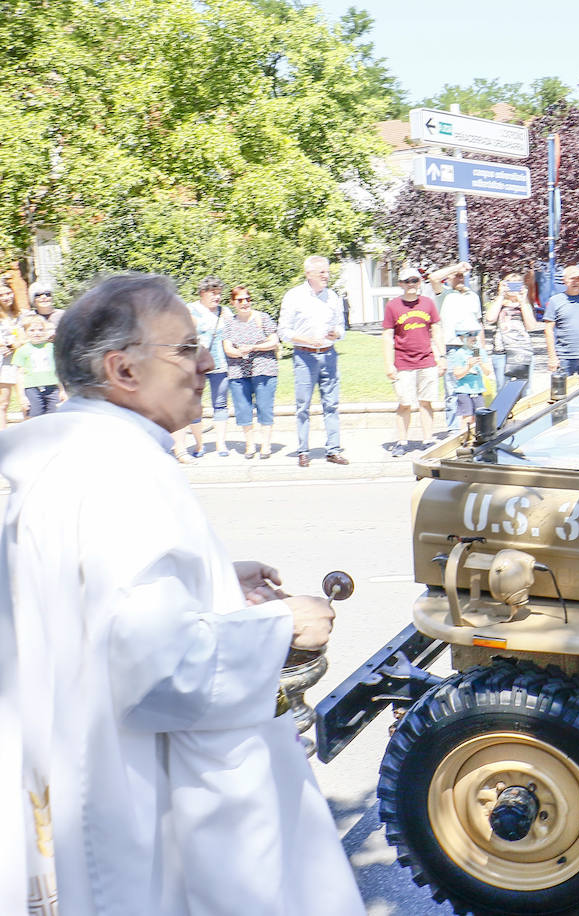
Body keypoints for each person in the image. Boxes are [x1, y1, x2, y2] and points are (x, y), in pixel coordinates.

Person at [0, 272, 364, 916]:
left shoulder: (50, 453)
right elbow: (155, 665)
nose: (206, 363)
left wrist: (214, 576)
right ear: (123, 369)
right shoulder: (123, 471)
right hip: (130, 804)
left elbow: (79, 598)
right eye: (186, 347)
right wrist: (282, 626)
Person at [278, 255, 348, 467]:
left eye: (327, 272)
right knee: (303, 406)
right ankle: (303, 451)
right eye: (322, 272)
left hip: (329, 354)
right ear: (309, 274)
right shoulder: (294, 297)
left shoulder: (333, 297)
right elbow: (283, 331)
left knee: (331, 404)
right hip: (305, 356)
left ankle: (333, 450)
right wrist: (307, 339)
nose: (326, 276)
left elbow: (341, 327)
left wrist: (336, 333)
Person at [383, 266, 444, 456]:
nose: (411, 285)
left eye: (415, 281)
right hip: (403, 362)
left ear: (420, 283)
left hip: (426, 360)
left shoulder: (428, 303)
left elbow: (436, 330)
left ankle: (427, 440)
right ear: (401, 284)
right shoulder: (393, 306)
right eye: (407, 281)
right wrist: (389, 363)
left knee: (426, 402)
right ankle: (402, 441)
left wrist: (441, 356)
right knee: (405, 403)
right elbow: (387, 336)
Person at [222, 285, 280, 459]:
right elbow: (227, 348)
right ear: (233, 303)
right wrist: (241, 352)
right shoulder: (229, 323)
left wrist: (253, 347)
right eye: (240, 300)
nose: (245, 303)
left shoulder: (262, 318)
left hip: (264, 369)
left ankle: (266, 446)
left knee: (265, 407)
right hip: (238, 372)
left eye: (248, 299)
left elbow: (274, 342)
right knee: (243, 409)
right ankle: (250, 446)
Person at [431, 262, 484, 433]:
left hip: (472, 346)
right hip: (453, 347)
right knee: (453, 389)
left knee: (474, 387)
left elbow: (478, 324)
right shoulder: (444, 294)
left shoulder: (472, 296)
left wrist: (480, 351)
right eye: (456, 275)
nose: (460, 277)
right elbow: (433, 278)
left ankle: (474, 428)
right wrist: (456, 267)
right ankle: (453, 430)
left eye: (462, 275)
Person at [185, 276, 229, 457]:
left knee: (220, 404)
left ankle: (221, 445)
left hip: (220, 365)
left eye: (219, 293)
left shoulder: (225, 312)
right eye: (213, 293)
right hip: (197, 367)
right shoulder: (191, 310)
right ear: (203, 293)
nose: (217, 297)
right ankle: (199, 445)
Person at [487, 274, 539, 390]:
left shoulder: (524, 304)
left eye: (517, 284)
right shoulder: (499, 303)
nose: (513, 287)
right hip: (502, 352)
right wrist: (500, 296)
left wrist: (523, 300)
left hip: (522, 351)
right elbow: (490, 318)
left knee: (524, 388)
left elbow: (531, 326)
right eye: (510, 283)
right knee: (502, 388)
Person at [14, 316, 62, 417]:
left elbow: (59, 370)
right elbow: (19, 375)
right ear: (26, 332)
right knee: (35, 416)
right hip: (32, 389)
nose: (37, 333)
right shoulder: (22, 351)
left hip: (52, 387)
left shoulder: (52, 348)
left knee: (55, 415)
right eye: (32, 330)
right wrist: (22, 396)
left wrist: (62, 390)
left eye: (40, 330)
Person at [446, 330, 486, 439]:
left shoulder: (479, 351)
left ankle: (478, 439)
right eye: (469, 335)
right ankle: (464, 439)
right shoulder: (459, 354)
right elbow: (457, 374)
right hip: (464, 391)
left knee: (479, 417)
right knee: (467, 418)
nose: (473, 337)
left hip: (478, 390)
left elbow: (488, 372)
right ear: (462, 338)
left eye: (475, 335)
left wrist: (481, 363)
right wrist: (468, 366)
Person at [0, 281, 22, 428]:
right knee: (4, 402)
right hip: (5, 363)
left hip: (22, 362)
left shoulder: (21, 315)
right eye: (1, 295)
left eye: (8, 293)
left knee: (26, 401)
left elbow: (27, 336)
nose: (6, 297)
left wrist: (14, 345)